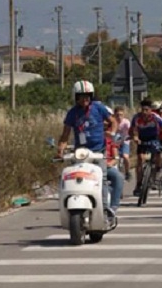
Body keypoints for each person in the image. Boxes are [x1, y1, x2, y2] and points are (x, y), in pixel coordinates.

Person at [55, 80, 118, 222]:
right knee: (76, 176)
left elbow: (113, 121)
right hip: (81, 153)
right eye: (81, 96)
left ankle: (105, 210)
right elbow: (65, 135)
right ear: (75, 97)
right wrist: (60, 151)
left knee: (101, 179)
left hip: (99, 151)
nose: (85, 99)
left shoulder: (98, 108)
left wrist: (112, 133)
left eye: (88, 96)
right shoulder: (72, 113)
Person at [130, 99, 162, 197]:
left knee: (158, 155)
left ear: (151, 110)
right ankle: (138, 184)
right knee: (140, 159)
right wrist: (135, 137)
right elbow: (134, 130)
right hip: (142, 139)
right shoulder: (136, 117)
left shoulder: (156, 117)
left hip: (154, 139)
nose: (144, 112)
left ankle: (157, 171)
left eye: (146, 110)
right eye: (142, 110)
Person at [103, 115, 124, 212]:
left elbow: (116, 157)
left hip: (106, 167)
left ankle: (113, 206)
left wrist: (111, 163)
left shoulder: (111, 139)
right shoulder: (88, 137)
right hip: (91, 167)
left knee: (118, 177)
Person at [112, 106, 132, 181]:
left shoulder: (126, 122)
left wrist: (131, 136)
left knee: (125, 156)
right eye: (117, 115)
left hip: (125, 141)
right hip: (115, 142)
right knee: (114, 158)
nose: (119, 117)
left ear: (123, 115)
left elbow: (130, 130)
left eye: (121, 115)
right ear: (114, 115)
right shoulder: (112, 122)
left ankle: (127, 172)